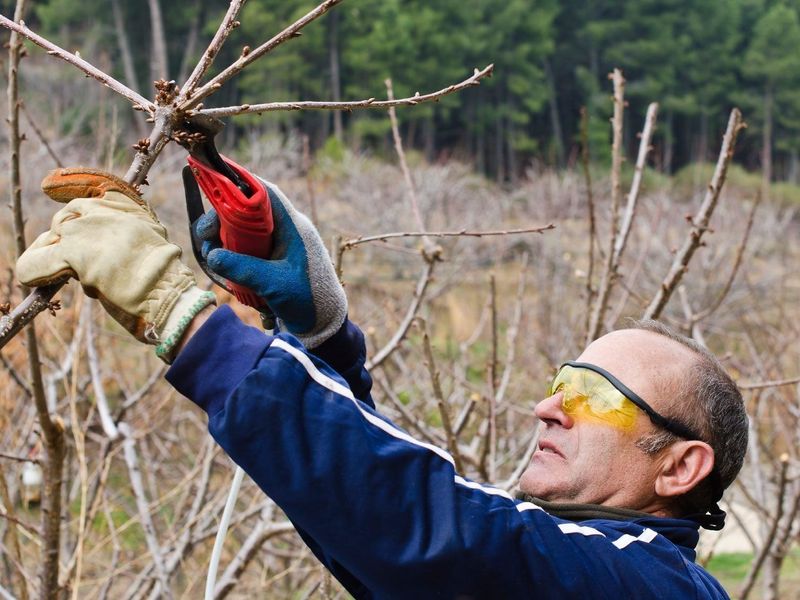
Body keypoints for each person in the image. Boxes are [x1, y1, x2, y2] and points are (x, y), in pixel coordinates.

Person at [17, 167, 749, 599]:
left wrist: (181, 314)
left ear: (680, 466)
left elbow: (437, 530)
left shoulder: (651, 585)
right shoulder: (584, 566)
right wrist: (321, 337)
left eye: (593, 397)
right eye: (563, 382)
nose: (547, 407)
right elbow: (384, 528)